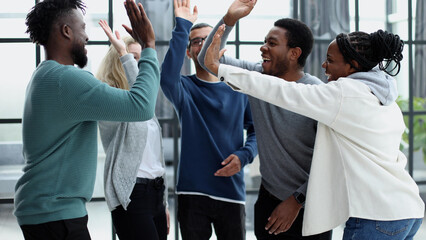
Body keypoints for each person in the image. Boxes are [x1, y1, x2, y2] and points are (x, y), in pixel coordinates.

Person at [205, 22, 425, 240]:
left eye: (330, 61)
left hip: (376, 215)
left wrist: (219, 69)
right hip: (407, 210)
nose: (323, 66)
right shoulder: (383, 98)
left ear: (353, 65)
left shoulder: (342, 94)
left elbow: (282, 91)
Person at [14, 0, 159, 239]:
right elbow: (141, 106)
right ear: (66, 31)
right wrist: (149, 46)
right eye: (82, 27)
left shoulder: (44, 75)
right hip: (56, 214)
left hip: (45, 211)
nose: (87, 36)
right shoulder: (68, 80)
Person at [198, 1, 331, 239]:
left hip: (310, 205)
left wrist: (298, 200)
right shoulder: (257, 76)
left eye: (272, 43)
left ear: (294, 53)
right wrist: (229, 19)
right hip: (268, 201)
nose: (263, 48)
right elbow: (205, 59)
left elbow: (331, 161)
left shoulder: (318, 94)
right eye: (264, 41)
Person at [160, 0, 258, 239]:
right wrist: (182, 25)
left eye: (208, 39)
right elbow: (167, 77)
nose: (202, 44)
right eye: (196, 41)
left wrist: (245, 156)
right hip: (192, 193)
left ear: (219, 43)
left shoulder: (237, 88)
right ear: (188, 50)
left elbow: (256, 132)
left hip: (231, 193)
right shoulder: (184, 88)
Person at [96, 19, 169, 240]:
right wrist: (125, 54)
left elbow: (155, 159)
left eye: (141, 59)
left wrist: (163, 203)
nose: (138, 65)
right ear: (118, 61)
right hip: (131, 195)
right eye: (132, 58)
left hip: (155, 194)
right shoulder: (110, 98)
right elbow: (137, 107)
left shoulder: (146, 106)